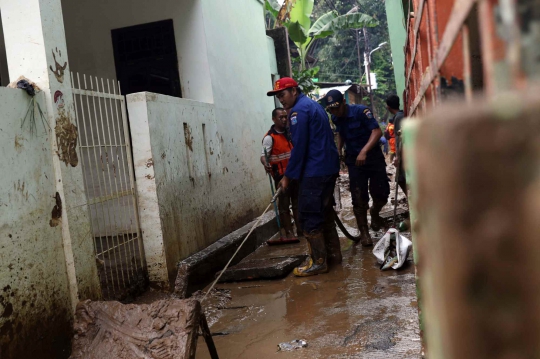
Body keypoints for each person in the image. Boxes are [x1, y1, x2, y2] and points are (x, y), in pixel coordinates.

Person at [267, 77, 341, 277]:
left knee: (308, 216)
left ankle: (318, 262)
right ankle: (334, 256)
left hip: (316, 170)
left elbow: (299, 149)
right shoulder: (312, 105)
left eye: (282, 94)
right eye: (278, 97)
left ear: (293, 91)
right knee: (324, 212)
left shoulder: (299, 112)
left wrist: (287, 177)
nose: (281, 100)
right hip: (326, 167)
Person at [324, 89, 390, 247]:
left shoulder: (361, 111)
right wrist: (339, 150)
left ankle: (375, 212)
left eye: (336, 107)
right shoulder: (335, 117)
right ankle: (364, 232)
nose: (334, 111)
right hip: (354, 161)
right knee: (358, 197)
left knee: (382, 194)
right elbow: (341, 133)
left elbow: (376, 131)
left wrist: (364, 151)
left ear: (344, 103)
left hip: (373, 158)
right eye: (331, 109)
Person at [260, 107, 299, 239]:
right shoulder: (269, 138)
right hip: (281, 177)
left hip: (295, 174)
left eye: (285, 117)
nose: (283, 119)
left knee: (297, 204)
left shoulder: (291, 133)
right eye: (280, 117)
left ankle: (301, 229)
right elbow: (263, 156)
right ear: (274, 119)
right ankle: (289, 232)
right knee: (284, 206)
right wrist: (266, 164)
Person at [386, 95, 407, 196]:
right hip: (402, 150)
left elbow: (400, 138)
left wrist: (398, 157)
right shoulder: (401, 115)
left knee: (401, 178)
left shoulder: (398, 118)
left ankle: (411, 200)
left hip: (402, 153)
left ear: (388, 107)